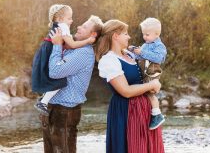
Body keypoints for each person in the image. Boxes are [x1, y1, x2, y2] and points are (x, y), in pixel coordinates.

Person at [96, 19, 164, 153]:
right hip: (126, 111)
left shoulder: (128, 54)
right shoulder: (109, 60)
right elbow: (126, 91)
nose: (129, 36)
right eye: (125, 33)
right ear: (115, 36)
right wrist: (152, 84)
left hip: (144, 110)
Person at [40, 15, 104, 153]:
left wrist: (57, 45)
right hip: (55, 109)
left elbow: (55, 72)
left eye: (85, 26)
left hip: (63, 111)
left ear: (93, 34)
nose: (79, 27)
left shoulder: (84, 53)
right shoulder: (73, 48)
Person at [31, 4, 95, 116]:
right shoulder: (63, 27)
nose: (72, 21)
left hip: (46, 51)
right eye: (69, 18)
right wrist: (88, 41)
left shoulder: (58, 26)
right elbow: (72, 44)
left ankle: (44, 98)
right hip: (51, 50)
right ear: (60, 19)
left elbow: (67, 46)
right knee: (59, 82)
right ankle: (43, 102)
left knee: (51, 78)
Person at [128, 17, 167, 130]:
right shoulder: (146, 44)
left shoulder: (160, 46)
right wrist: (131, 52)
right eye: (143, 34)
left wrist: (143, 52)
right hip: (144, 71)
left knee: (150, 92)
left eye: (147, 34)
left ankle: (157, 115)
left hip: (152, 72)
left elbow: (158, 58)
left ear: (156, 34)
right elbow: (140, 56)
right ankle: (148, 113)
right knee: (143, 91)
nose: (144, 37)